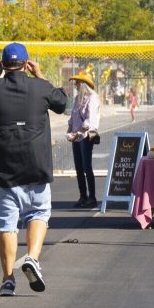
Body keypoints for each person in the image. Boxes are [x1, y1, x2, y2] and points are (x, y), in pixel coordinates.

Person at [0, 43, 68, 296]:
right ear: (26, 64)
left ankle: (7, 279)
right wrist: (41, 76)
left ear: (3, 65)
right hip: (35, 167)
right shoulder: (41, 87)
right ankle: (32, 258)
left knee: (7, 225)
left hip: (2, 171)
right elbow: (61, 103)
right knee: (38, 214)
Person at [66, 72, 100, 209]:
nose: (76, 84)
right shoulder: (77, 98)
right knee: (79, 168)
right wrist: (69, 130)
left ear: (84, 85)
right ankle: (82, 196)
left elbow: (89, 120)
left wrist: (77, 133)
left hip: (86, 136)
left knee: (87, 167)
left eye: (78, 82)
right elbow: (73, 116)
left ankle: (92, 197)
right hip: (76, 137)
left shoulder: (92, 98)